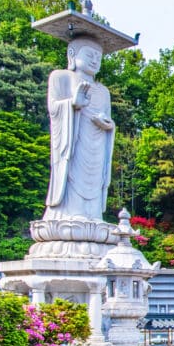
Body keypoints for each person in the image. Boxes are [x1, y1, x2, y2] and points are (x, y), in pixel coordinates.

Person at [43, 36, 115, 221]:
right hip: (73, 140)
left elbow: (108, 120)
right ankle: (67, 213)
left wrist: (108, 125)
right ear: (72, 54)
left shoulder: (103, 92)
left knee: (95, 179)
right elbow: (53, 108)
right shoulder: (61, 77)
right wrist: (72, 104)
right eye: (90, 55)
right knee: (71, 168)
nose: (94, 60)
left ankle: (93, 215)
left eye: (98, 58)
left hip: (97, 144)